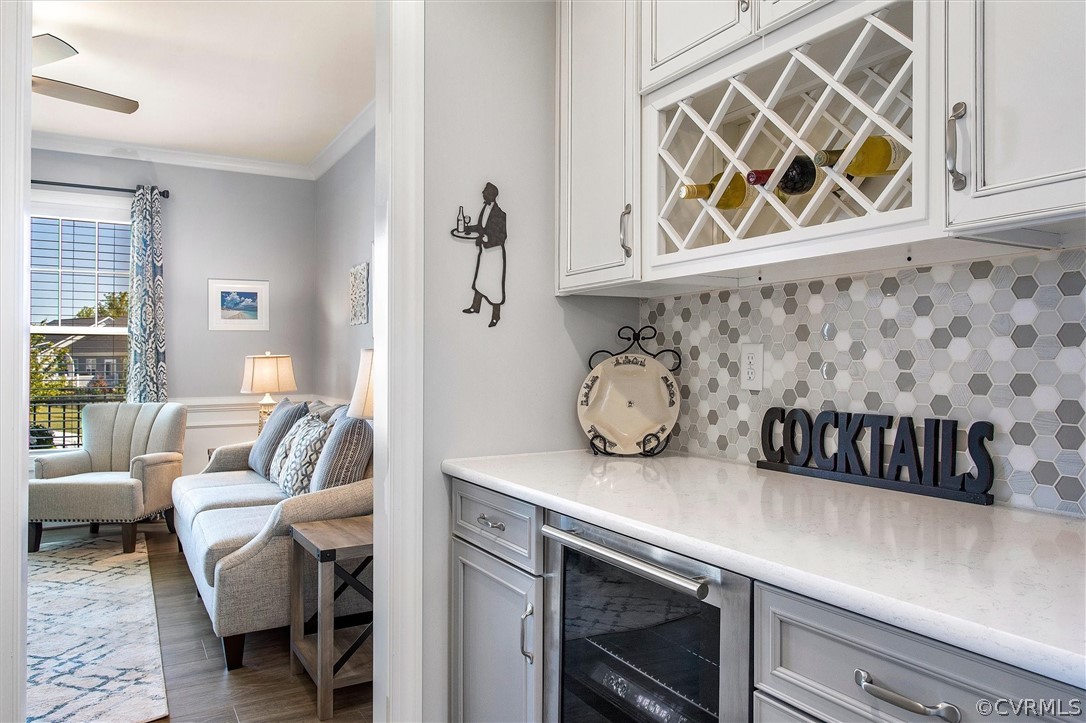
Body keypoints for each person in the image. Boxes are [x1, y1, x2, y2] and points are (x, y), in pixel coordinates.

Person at [462, 182, 507, 327]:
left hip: (494, 254)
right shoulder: (484, 208)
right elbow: (481, 227)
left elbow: (502, 236)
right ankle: (476, 307)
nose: (482, 193)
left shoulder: (500, 214)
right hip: (485, 254)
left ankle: (496, 316)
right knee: (480, 280)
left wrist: (488, 240)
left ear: (490, 194)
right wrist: (465, 227)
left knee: (494, 285)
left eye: (484, 191)